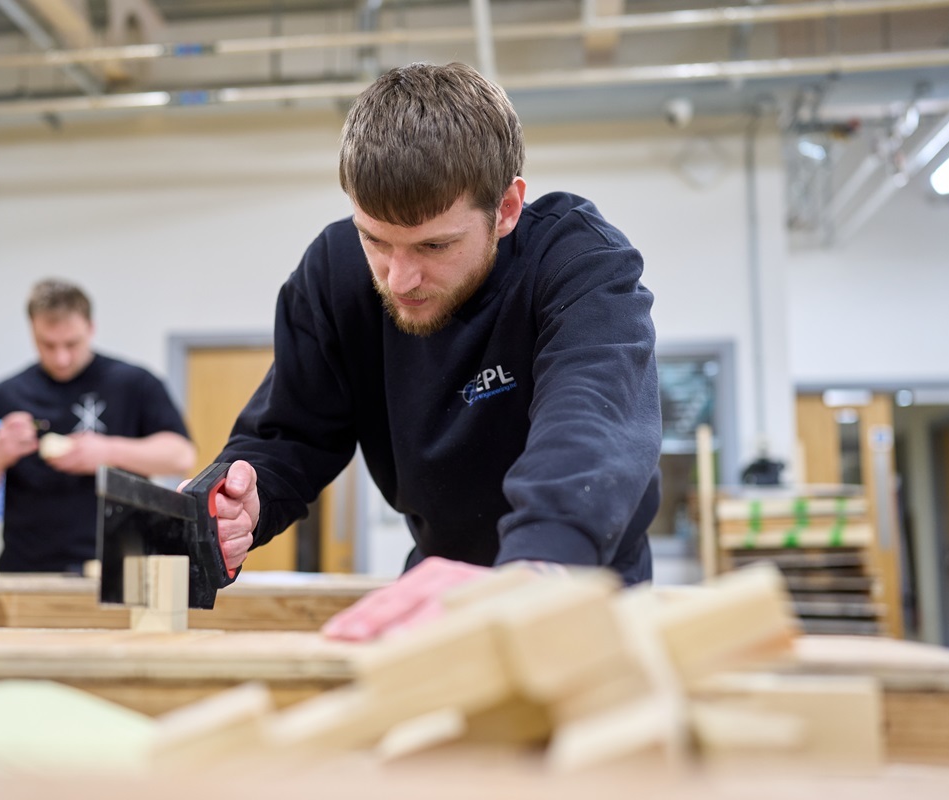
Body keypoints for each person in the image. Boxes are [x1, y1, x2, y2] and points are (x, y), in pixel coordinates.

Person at [205, 62, 662, 639]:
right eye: (375, 239)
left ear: (507, 210)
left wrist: (537, 565)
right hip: (441, 586)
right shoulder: (335, 273)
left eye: (434, 245)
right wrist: (248, 500)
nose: (399, 279)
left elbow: (591, 423)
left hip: (575, 583)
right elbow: (291, 433)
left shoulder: (578, 264)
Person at [0, 279, 196, 573]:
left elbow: (181, 455)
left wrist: (107, 451)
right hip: (28, 570)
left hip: (119, 568)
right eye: (48, 345)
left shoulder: (134, 384)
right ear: (32, 329)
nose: (61, 358)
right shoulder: (1, 397)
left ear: (90, 328)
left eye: (72, 343)